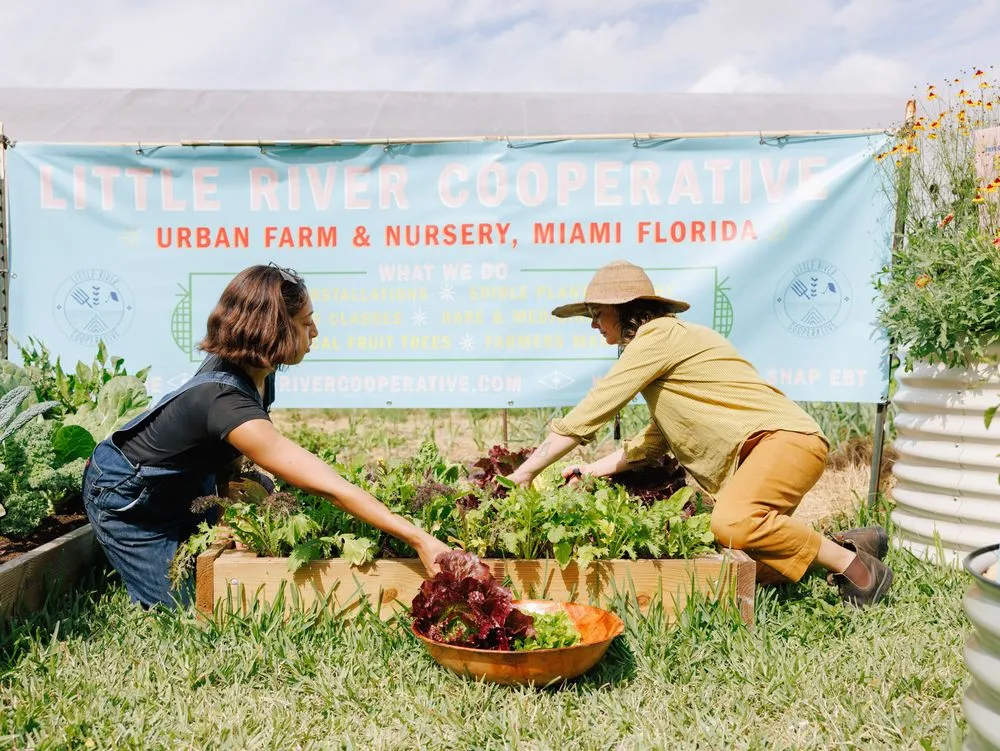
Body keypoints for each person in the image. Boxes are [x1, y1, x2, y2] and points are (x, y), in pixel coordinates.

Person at [507, 260, 892, 607]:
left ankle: (860, 572)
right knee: (755, 567)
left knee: (731, 523)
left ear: (623, 310)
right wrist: (592, 470)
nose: (593, 323)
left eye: (596, 312)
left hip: (785, 443)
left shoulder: (656, 338)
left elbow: (595, 407)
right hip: (776, 449)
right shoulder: (665, 344)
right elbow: (654, 441)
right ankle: (852, 542)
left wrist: (525, 472)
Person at [82, 263, 451, 608]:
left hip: (185, 482)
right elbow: (330, 487)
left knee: (245, 547)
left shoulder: (258, 368)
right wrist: (419, 538)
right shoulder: (225, 401)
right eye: (306, 323)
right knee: (192, 607)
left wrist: (239, 507)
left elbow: (228, 456)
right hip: (128, 498)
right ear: (273, 330)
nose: (316, 332)